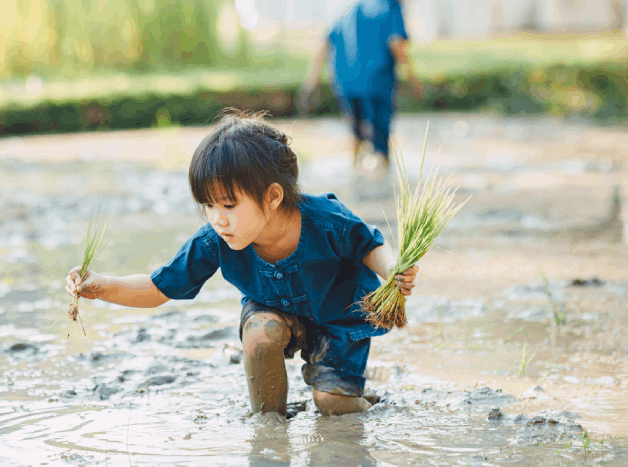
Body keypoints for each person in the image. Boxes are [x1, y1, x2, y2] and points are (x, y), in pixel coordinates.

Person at [64, 111, 419, 417]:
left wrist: (393, 271)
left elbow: (369, 243)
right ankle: (269, 422)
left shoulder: (325, 220)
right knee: (260, 335)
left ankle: (366, 404)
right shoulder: (215, 240)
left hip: (338, 316)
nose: (218, 219)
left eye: (229, 206)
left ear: (273, 196)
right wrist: (103, 286)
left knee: (331, 406)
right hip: (274, 314)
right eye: (209, 205)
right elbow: (160, 287)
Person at [304, 0, 424, 169]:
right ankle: (382, 183)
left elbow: (325, 43)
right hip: (376, 82)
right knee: (380, 139)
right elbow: (396, 44)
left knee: (356, 134)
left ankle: (355, 169)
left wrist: (312, 79)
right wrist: (414, 79)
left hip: (344, 83)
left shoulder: (349, 9)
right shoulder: (391, 7)